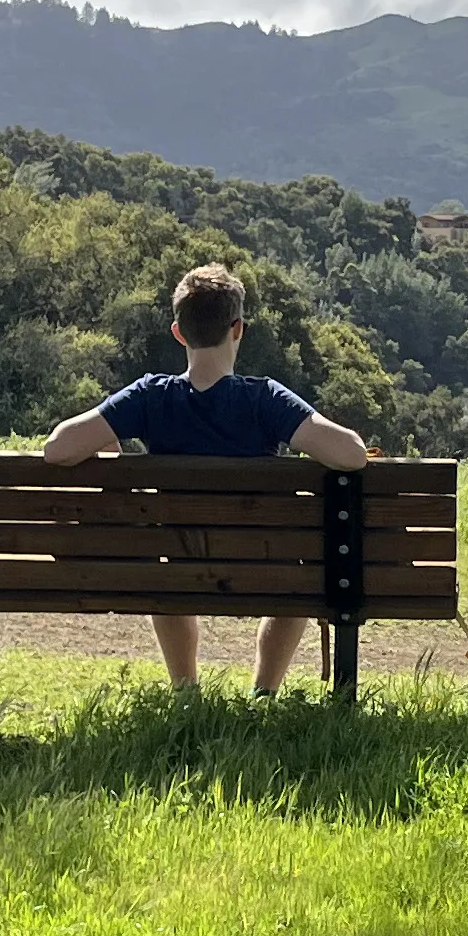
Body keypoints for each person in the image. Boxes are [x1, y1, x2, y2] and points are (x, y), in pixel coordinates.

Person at [43, 263, 372, 693]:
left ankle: (186, 690)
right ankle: (264, 693)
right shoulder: (265, 400)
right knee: (301, 574)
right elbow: (351, 454)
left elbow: (58, 448)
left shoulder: (149, 397)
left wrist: (111, 453)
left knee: (165, 569)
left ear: (179, 332)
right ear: (238, 329)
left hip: (177, 562)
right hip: (263, 566)